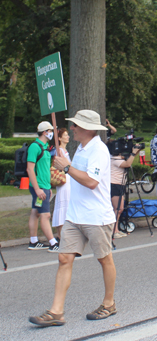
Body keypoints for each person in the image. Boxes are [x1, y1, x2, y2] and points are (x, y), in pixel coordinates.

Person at [30, 110, 118, 326]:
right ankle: (56, 312)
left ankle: (109, 303)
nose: (71, 128)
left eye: (75, 125)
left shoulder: (98, 149)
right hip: (75, 214)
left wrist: (67, 168)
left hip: (96, 216)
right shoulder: (80, 147)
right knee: (64, 258)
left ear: (87, 128)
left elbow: (91, 182)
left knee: (104, 258)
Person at [27, 121, 59, 252]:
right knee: (45, 215)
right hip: (39, 187)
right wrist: (38, 189)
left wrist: (48, 188)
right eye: (51, 130)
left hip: (43, 186)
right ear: (45, 132)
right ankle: (53, 243)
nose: (52, 133)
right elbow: (30, 169)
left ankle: (33, 241)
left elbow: (45, 169)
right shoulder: (35, 147)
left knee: (36, 212)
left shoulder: (45, 147)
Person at [110, 144, 142, 238]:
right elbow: (127, 164)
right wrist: (132, 153)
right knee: (118, 209)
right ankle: (114, 230)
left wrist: (136, 151)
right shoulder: (115, 160)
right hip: (115, 185)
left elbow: (129, 160)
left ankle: (116, 229)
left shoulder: (117, 158)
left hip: (119, 185)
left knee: (119, 209)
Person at [52, 128, 71, 241]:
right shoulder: (59, 151)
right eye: (65, 135)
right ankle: (60, 234)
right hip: (63, 180)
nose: (67, 137)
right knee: (62, 206)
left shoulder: (64, 150)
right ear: (59, 138)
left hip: (67, 180)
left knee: (65, 206)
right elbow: (64, 165)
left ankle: (63, 233)